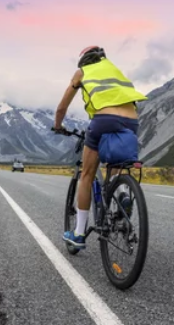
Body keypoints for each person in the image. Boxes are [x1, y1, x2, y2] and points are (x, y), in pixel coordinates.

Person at [53, 46, 148, 249]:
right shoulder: (115, 70)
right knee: (116, 166)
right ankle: (122, 192)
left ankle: (78, 233)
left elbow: (62, 107)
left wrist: (58, 126)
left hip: (103, 119)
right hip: (132, 121)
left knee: (86, 175)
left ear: (84, 61)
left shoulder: (82, 72)